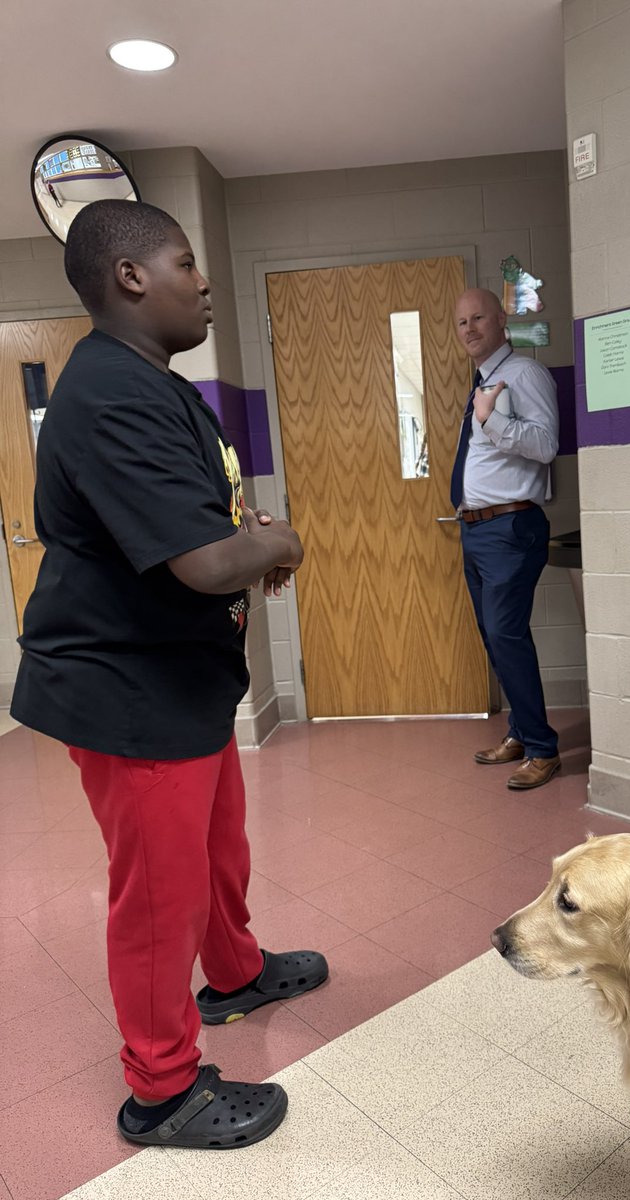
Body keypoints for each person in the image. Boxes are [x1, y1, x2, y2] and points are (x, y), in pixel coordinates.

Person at [10, 199, 328, 1149]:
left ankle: (234, 975)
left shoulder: (157, 383)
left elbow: (203, 524)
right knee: (159, 896)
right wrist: (280, 541)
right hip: (129, 693)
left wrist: (242, 540)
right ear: (131, 277)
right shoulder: (110, 393)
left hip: (182, 679)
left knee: (216, 853)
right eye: (186, 263)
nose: (204, 283)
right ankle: (161, 1090)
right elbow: (202, 560)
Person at [451, 288, 560, 789]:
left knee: (504, 633)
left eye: (478, 318)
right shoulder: (484, 382)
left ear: (501, 320)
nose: (469, 329)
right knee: (493, 635)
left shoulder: (524, 374)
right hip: (477, 530)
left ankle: (542, 749)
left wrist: (490, 419)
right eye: (461, 322)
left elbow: (546, 444)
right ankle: (520, 731)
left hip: (510, 527)